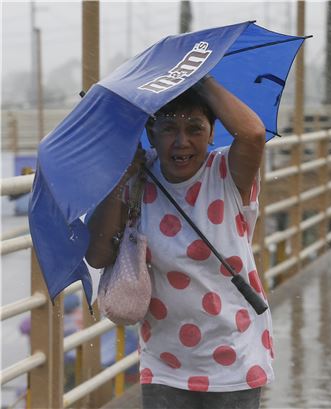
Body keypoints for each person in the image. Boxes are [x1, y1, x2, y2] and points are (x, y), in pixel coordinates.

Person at [86, 74, 273, 409]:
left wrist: (198, 76)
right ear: (150, 134)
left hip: (234, 359)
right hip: (164, 363)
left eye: (195, 128)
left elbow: (253, 134)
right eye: (169, 128)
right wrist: (121, 178)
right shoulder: (136, 180)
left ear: (213, 133)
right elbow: (98, 255)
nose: (181, 141)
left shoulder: (227, 174)